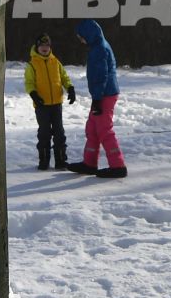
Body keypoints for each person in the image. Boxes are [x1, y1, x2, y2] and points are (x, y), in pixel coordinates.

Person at [65, 19, 126, 179]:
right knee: (92, 128)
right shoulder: (98, 47)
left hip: (105, 94)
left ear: (88, 34)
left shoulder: (99, 49)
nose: (81, 40)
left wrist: (98, 98)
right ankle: (89, 163)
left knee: (104, 129)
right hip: (101, 94)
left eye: (81, 37)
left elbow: (101, 75)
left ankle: (118, 166)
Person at [23, 32, 76, 170]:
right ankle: (44, 160)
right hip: (42, 105)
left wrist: (70, 88)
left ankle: (60, 160)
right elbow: (29, 83)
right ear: (37, 47)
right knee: (44, 132)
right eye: (42, 45)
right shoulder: (32, 64)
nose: (45, 48)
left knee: (59, 132)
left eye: (47, 45)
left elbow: (64, 77)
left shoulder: (56, 62)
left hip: (56, 104)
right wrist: (34, 94)